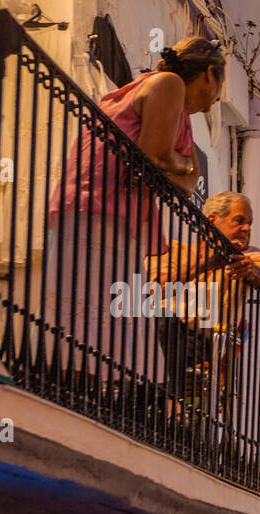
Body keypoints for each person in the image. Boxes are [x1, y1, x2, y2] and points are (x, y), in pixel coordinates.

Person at [48, 38, 225, 381]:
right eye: (220, 83)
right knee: (99, 313)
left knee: (103, 313)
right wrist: (180, 165)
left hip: (114, 215)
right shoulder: (168, 84)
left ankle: (87, 383)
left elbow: (187, 184)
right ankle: (79, 383)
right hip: (101, 209)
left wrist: (179, 168)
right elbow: (154, 157)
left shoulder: (178, 112)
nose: (218, 96)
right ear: (208, 73)